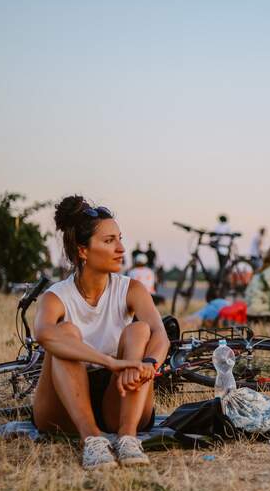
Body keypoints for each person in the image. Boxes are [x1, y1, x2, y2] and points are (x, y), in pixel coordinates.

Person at [32, 196, 170, 470]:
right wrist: (111, 362)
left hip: (117, 394)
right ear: (83, 251)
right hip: (63, 402)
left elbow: (160, 335)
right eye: (109, 241)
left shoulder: (130, 289)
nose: (121, 249)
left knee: (139, 330)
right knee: (64, 333)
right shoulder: (56, 296)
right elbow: (44, 335)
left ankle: (128, 438)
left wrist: (148, 364)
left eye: (119, 239)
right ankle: (91, 440)